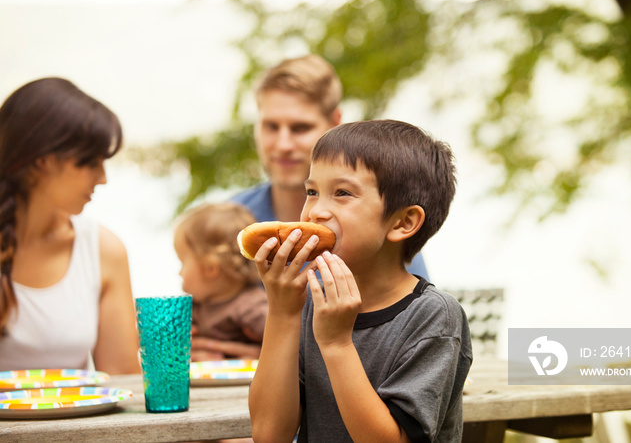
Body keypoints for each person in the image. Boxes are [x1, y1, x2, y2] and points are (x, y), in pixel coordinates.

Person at [248, 119, 472, 442]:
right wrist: (282, 313)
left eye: (341, 193)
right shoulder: (313, 303)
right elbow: (269, 434)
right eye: (312, 192)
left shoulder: (434, 317)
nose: (315, 212)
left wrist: (337, 344)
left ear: (403, 222)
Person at [231, 54, 430, 279]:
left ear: (335, 123)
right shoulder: (225, 222)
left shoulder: (378, 236)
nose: (283, 144)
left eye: (300, 128)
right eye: (271, 126)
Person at [0, 77, 140, 374]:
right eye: (90, 162)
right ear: (42, 160)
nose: (103, 178)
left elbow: (123, 384)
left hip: (78, 421)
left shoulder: (103, 250)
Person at [173, 202, 268, 361]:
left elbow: (287, 338)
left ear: (210, 268)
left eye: (183, 262)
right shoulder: (195, 306)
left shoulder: (250, 306)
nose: (179, 273)